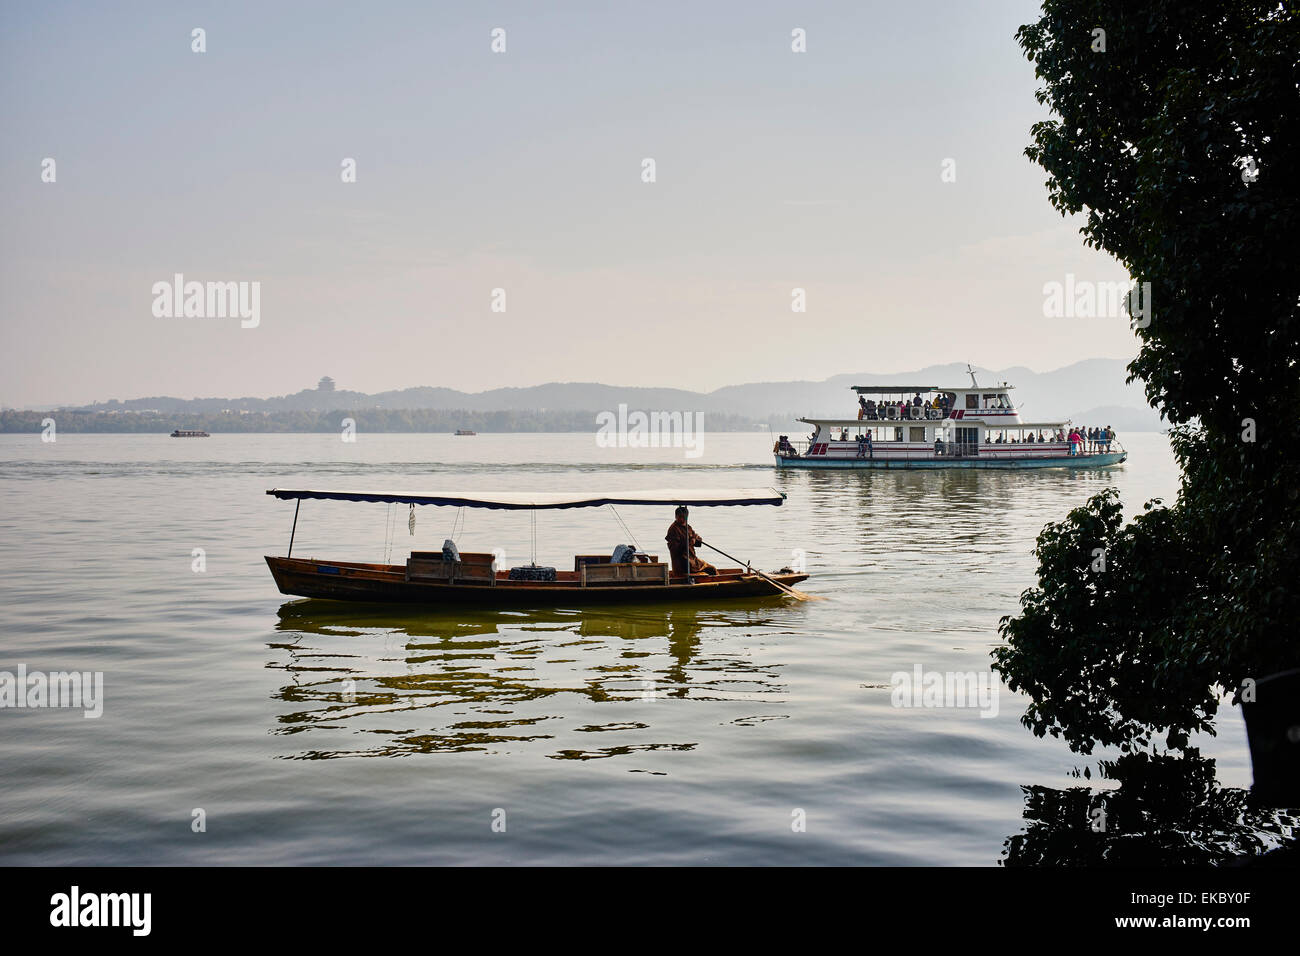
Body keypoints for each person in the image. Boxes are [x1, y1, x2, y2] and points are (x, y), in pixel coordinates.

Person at [665, 506, 716, 579]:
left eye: (684, 517)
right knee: (711, 570)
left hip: (693, 561)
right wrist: (689, 542)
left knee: (712, 569)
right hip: (683, 564)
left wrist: (696, 539)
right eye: (680, 517)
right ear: (676, 516)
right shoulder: (673, 529)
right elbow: (674, 550)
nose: (682, 519)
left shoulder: (688, 527)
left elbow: (697, 542)